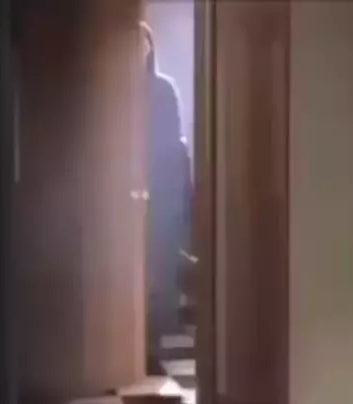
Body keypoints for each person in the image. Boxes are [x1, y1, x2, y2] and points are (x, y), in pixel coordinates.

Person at [139, 21, 193, 373]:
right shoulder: (119, 93)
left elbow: (173, 143)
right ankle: (139, 347)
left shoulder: (163, 88)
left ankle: (153, 346)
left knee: (161, 267)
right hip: (135, 191)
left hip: (162, 190)